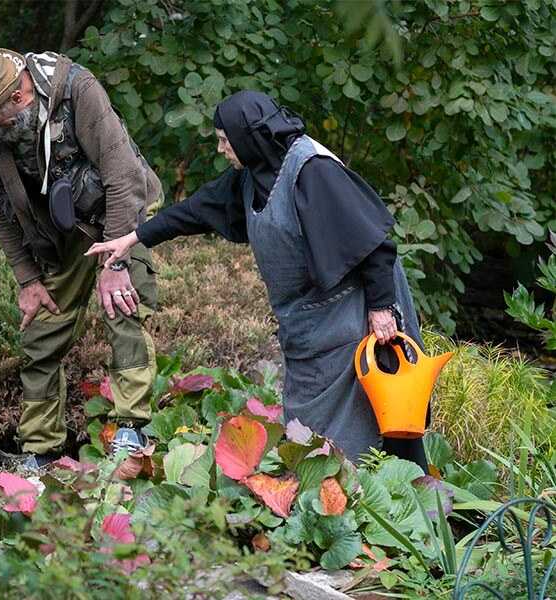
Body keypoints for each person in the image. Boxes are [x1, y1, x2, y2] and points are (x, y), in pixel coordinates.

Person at [86, 90, 428, 470]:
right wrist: (135, 237)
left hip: (354, 315)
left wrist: (382, 309)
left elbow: (375, 245)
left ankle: (394, 493)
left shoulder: (314, 171)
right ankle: (325, 493)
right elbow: (194, 211)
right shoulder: (252, 177)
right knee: (308, 435)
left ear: (246, 137)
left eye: (224, 140)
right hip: (308, 326)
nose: (220, 149)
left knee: (370, 423)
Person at [0, 49, 162, 470]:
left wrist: (116, 263)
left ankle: (132, 432)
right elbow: (0, 205)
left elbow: (124, 178)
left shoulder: (78, 90)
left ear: (17, 97)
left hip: (124, 211)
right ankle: (41, 450)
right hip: (64, 229)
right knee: (42, 331)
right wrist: (27, 278)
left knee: (122, 308)